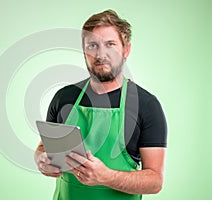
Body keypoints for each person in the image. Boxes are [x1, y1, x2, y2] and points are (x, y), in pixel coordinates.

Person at [34, 9, 167, 200]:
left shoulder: (146, 105)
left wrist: (107, 177)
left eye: (110, 45)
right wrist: (40, 159)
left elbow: (155, 181)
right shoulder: (63, 97)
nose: (100, 54)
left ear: (126, 50)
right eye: (92, 45)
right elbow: (43, 148)